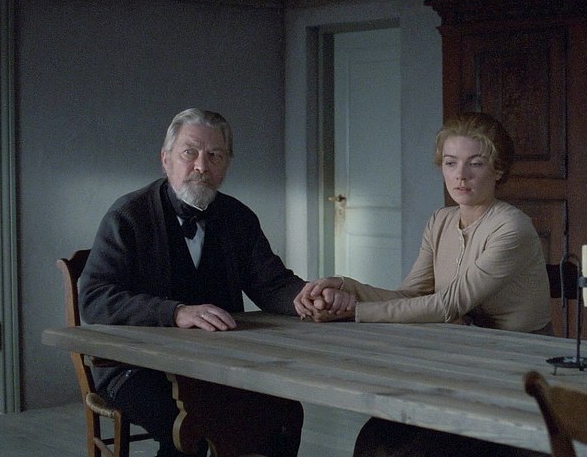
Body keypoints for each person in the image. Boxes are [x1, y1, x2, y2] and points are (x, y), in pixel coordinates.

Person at [294, 111, 550, 457]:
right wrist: (344, 285)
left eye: (475, 163)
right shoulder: (440, 221)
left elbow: (446, 305)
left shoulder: (511, 227)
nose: (460, 175)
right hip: (462, 359)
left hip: (519, 370)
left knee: (412, 449)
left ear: (498, 170)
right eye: (450, 163)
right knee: (375, 441)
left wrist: (353, 312)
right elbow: (409, 295)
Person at [80, 108, 305, 457]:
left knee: (285, 413)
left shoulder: (238, 218)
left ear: (226, 165)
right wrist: (175, 312)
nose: (202, 165)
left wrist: (308, 298)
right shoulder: (128, 215)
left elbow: (272, 285)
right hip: (136, 367)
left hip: (217, 364)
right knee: (190, 429)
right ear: (166, 159)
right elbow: (94, 298)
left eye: (215, 155)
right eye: (190, 152)